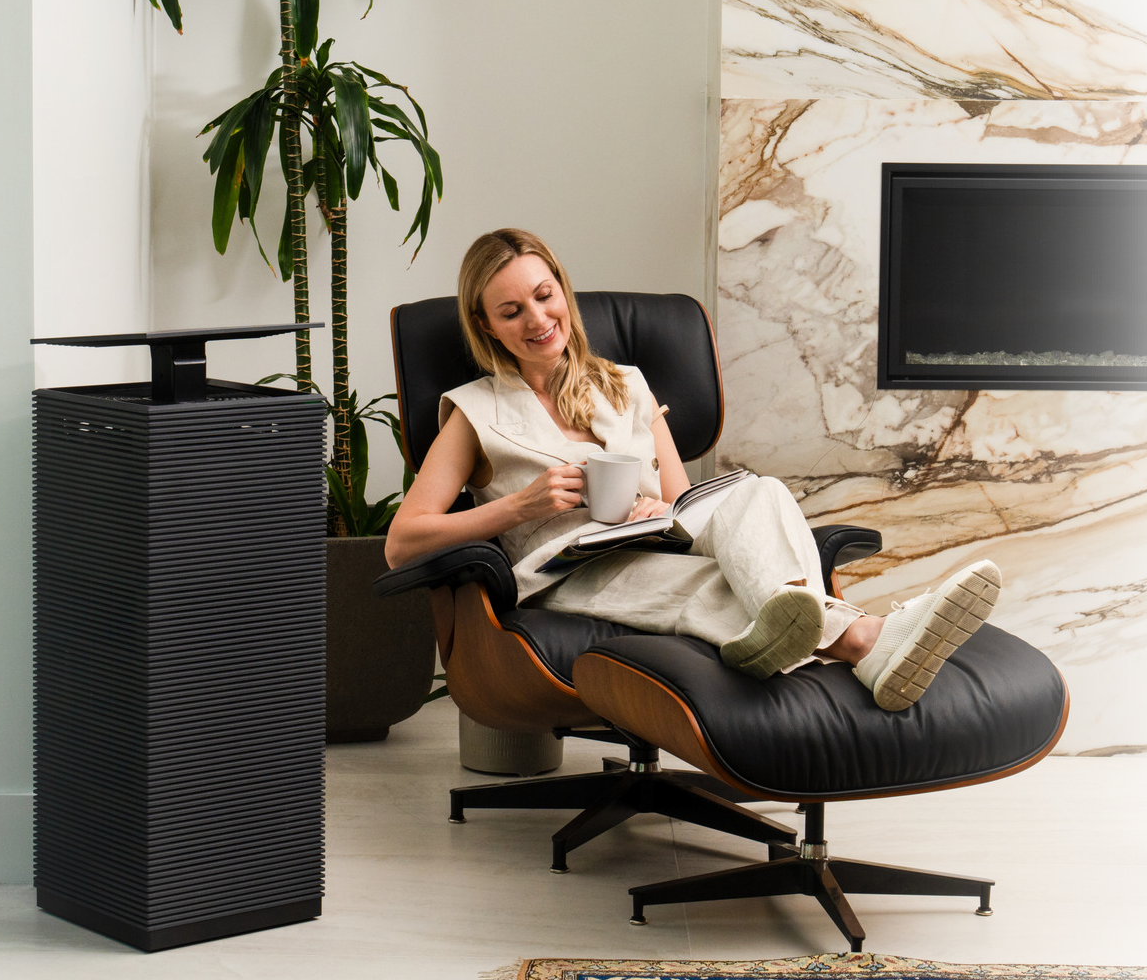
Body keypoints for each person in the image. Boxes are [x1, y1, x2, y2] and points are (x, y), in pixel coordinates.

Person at [384, 228, 1001, 710]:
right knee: (714, 588)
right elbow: (401, 543)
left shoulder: (626, 385)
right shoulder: (474, 412)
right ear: (486, 325)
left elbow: (687, 504)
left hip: (660, 544)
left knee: (759, 492)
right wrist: (519, 507)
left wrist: (660, 509)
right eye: (511, 310)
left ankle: (826, 636)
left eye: (545, 297)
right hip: (570, 573)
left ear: (562, 293)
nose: (538, 320)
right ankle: (870, 636)